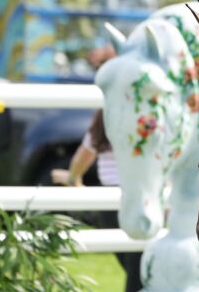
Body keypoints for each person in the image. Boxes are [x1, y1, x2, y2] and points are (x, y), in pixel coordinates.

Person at [51, 109, 142, 292]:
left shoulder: (105, 118)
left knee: (135, 270)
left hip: (110, 203)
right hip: (138, 197)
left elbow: (82, 158)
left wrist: (71, 178)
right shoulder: (144, 116)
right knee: (138, 270)